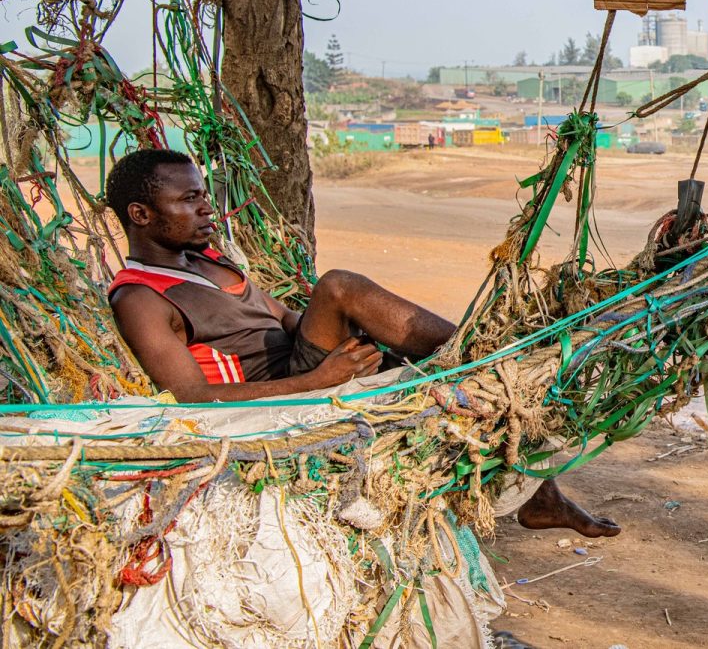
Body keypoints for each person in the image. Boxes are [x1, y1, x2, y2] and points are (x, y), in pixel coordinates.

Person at [104, 148, 618, 538]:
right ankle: (490, 349)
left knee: (451, 380)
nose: (205, 208)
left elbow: (286, 319)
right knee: (339, 286)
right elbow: (188, 398)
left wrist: (362, 343)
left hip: (309, 365)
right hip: (279, 398)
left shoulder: (209, 260)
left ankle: (538, 493)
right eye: (188, 199)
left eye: (202, 195)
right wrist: (319, 379)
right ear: (141, 214)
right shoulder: (141, 298)